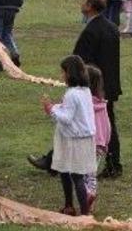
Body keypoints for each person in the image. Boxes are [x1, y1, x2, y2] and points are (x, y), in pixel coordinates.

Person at [29, 0, 122, 179]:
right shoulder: (111, 27)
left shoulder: (91, 31)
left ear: (90, 6)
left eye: (84, 0)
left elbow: (80, 62)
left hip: (91, 88)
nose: (81, 3)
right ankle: (112, 164)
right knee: (106, 125)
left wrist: (74, 82)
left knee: (73, 125)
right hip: (107, 85)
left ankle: (55, 162)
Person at [41, 56, 96, 217]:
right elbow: (74, 110)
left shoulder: (71, 94)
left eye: (63, 72)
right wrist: (57, 107)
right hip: (82, 137)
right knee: (64, 170)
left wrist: (51, 110)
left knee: (76, 176)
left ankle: (84, 214)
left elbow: (66, 118)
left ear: (69, 73)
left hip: (74, 139)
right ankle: (69, 206)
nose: (61, 75)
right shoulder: (85, 91)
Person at [84, 65, 111, 212]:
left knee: (81, 172)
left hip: (86, 141)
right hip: (99, 143)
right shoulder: (102, 104)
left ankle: (86, 194)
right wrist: (105, 141)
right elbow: (107, 125)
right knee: (92, 173)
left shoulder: (84, 103)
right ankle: (91, 195)